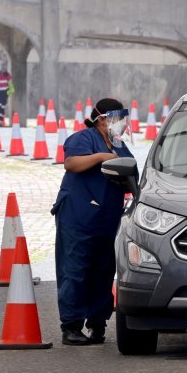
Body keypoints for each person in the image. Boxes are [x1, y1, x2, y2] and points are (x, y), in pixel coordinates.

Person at [51, 98, 134, 345]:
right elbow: (72, 163)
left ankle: (98, 322)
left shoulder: (119, 145)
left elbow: (131, 172)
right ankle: (71, 325)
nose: (120, 124)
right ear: (101, 119)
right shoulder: (83, 139)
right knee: (75, 269)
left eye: (122, 119)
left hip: (106, 218)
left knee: (103, 270)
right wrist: (100, 157)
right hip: (78, 215)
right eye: (116, 119)